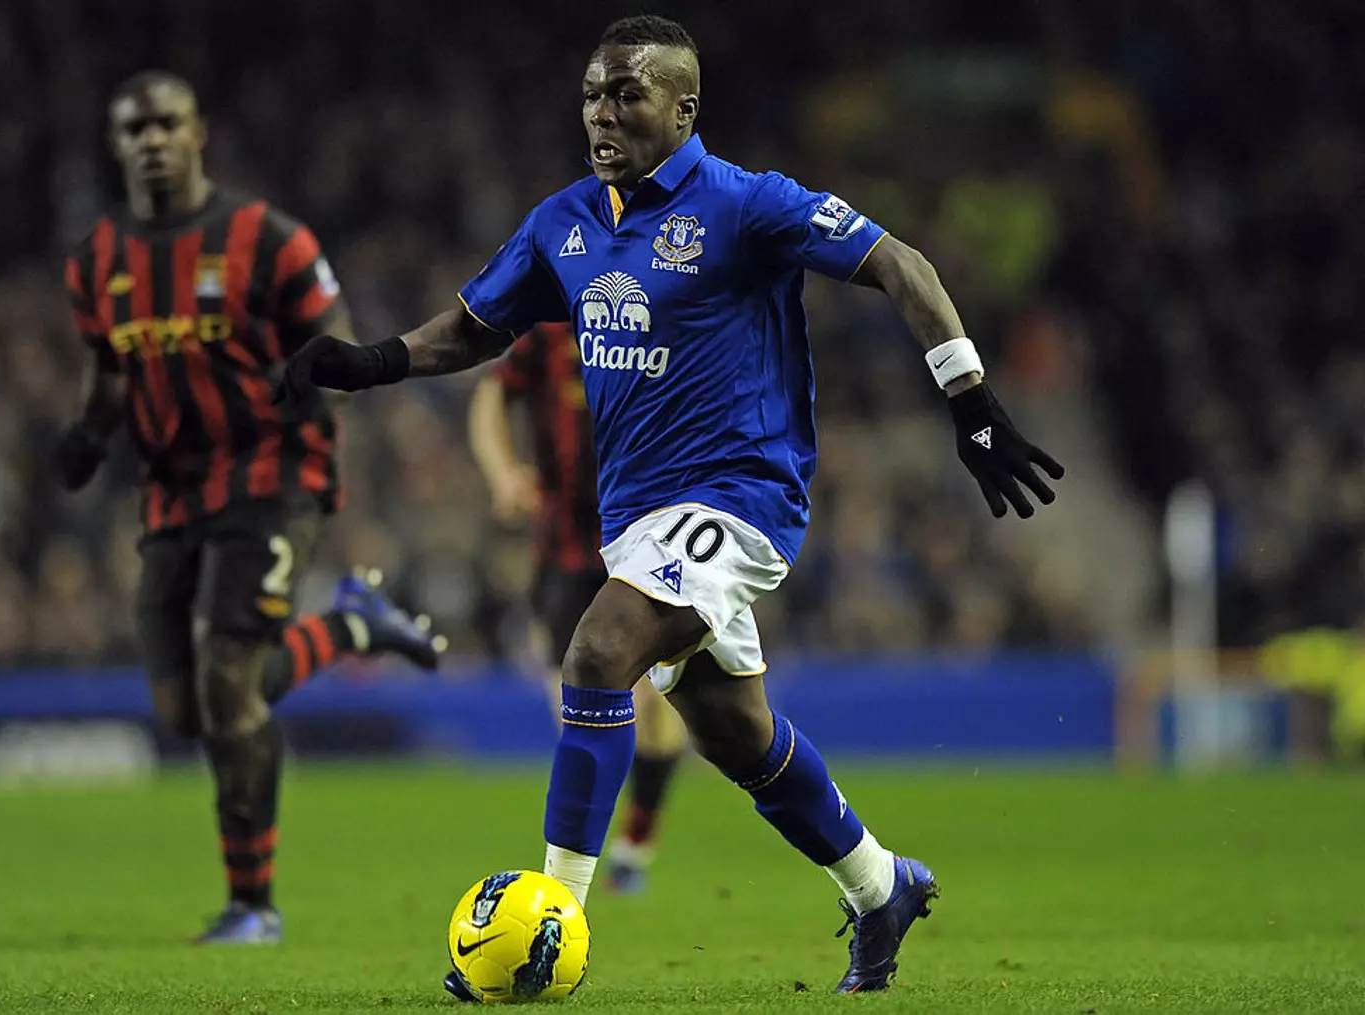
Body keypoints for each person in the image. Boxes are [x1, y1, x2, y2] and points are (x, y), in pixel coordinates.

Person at [275, 14, 1063, 995]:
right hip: (636, 520)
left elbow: (903, 265)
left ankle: (552, 921)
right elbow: (475, 329)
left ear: (684, 108)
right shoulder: (564, 222)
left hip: (742, 494)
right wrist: (368, 362)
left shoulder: (747, 205)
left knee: (598, 651)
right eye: (592, 96)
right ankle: (880, 884)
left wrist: (972, 402)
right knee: (735, 733)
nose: (602, 114)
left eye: (627, 94)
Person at [56, 71, 444, 945]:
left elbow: (334, 345)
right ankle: (349, 626)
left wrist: (317, 393)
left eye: (168, 124)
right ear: (117, 145)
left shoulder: (268, 240)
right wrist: (87, 434)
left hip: (271, 474)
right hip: (171, 489)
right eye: (136, 129)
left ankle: (253, 902)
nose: (154, 141)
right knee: (185, 710)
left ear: (199, 133)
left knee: (229, 687)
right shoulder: (95, 260)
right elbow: (109, 372)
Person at [469, 322, 687, 894]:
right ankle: (578, 865)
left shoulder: (668, 309)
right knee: (574, 705)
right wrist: (502, 473)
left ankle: (634, 845)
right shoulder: (549, 327)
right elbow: (492, 393)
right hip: (563, 548)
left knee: (653, 704)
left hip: (648, 535)